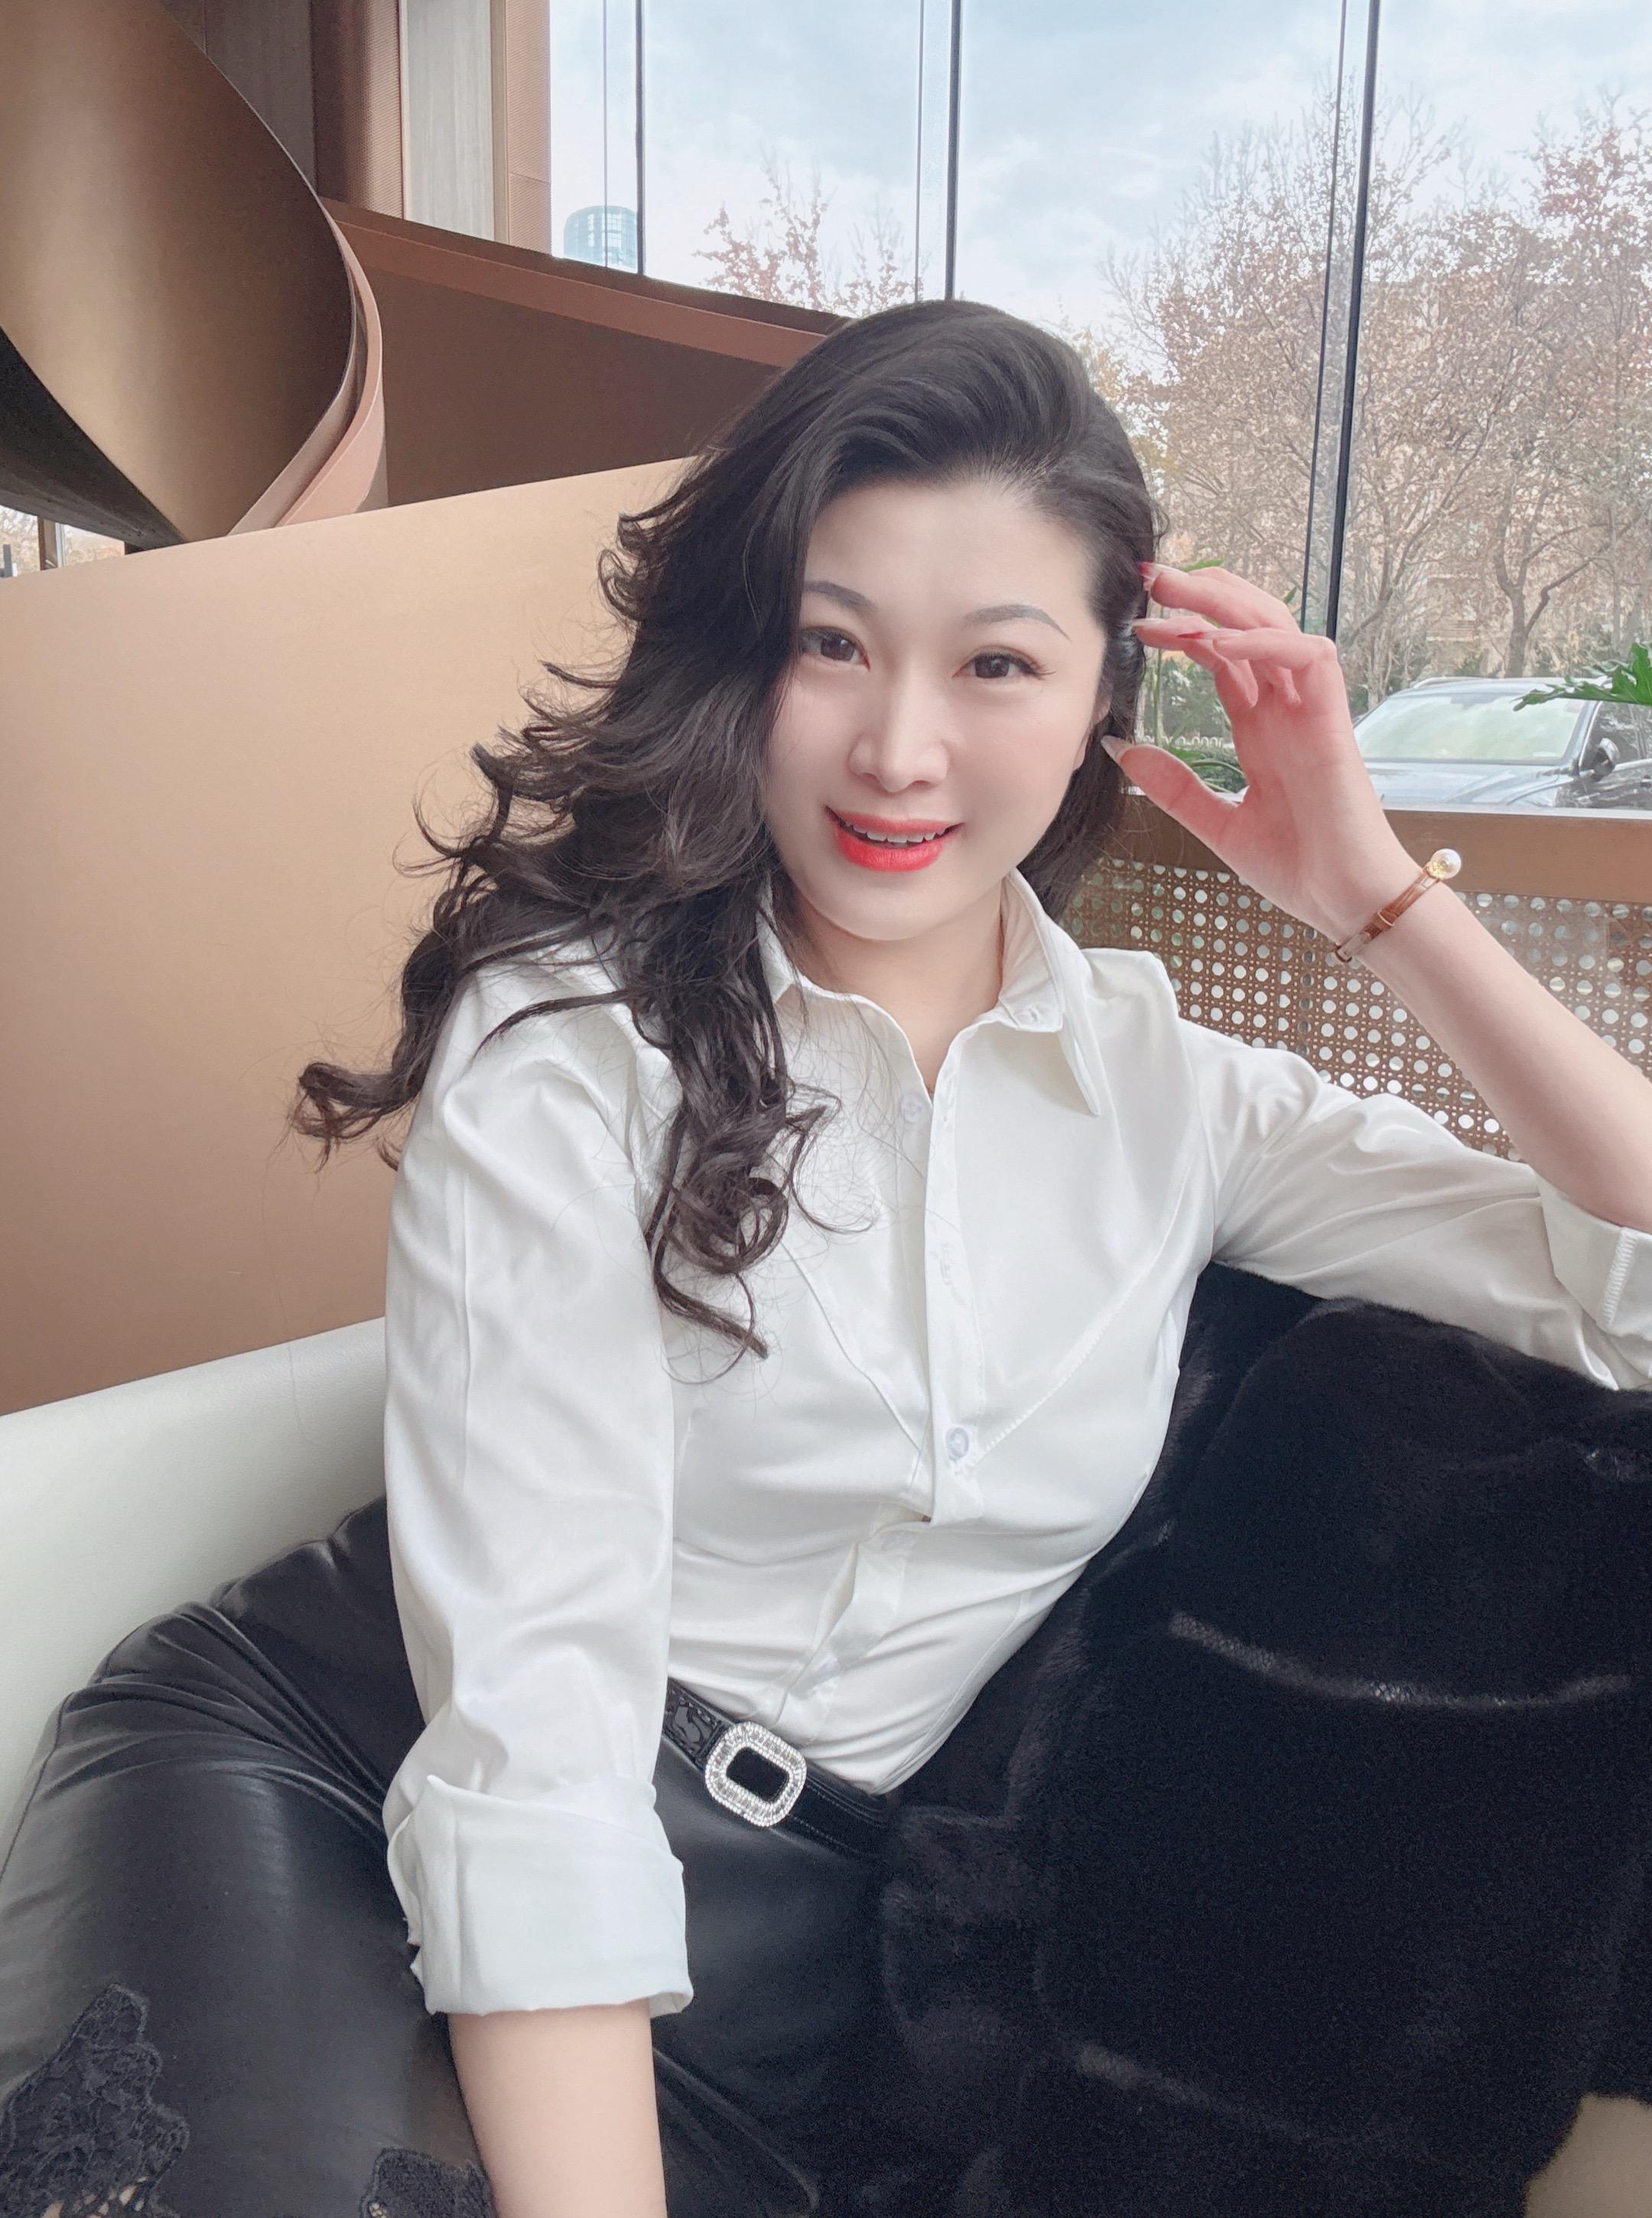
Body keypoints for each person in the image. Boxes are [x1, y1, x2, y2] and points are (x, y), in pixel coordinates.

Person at [288, 295, 1652, 2218]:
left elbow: (1628, 1289)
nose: (898, 748)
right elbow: (539, 1729)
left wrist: (1371, 892)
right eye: (829, 642)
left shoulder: (1171, 1094)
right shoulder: (576, 1045)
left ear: (1106, 701)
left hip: (796, 1969)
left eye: (998, 662)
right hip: (347, 1806)